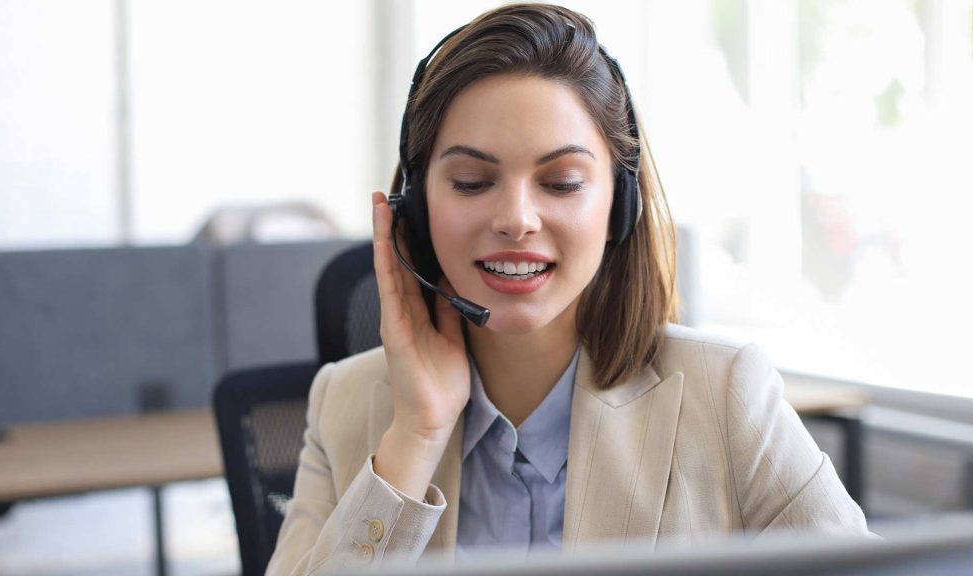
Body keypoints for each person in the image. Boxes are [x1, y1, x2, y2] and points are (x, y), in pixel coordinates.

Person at [265, 3, 871, 574]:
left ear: (619, 206)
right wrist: (415, 438)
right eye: (473, 181)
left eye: (561, 182)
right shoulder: (344, 403)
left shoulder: (727, 396)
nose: (517, 219)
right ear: (415, 210)